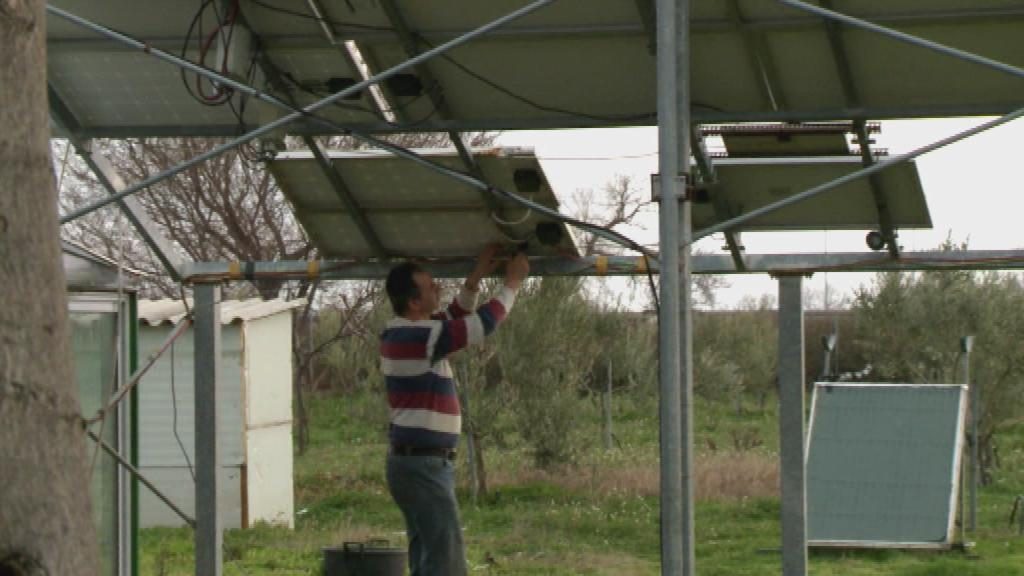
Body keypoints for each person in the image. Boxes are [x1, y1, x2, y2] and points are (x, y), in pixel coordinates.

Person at [381, 245, 530, 576]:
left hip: (413, 463)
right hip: (424, 465)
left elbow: (452, 318)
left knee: (428, 555)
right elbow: (481, 324)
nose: (438, 288)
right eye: (431, 286)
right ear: (414, 302)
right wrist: (513, 284)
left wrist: (476, 277)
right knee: (446, 561)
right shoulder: (419, 335)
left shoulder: (407, 332)